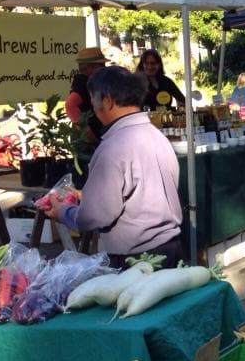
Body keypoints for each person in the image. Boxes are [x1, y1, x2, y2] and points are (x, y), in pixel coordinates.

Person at [46, 65, 184, 267]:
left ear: (108, 101)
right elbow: (143, 193)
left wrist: (64, 212)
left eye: (92, 99)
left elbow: (94, 217)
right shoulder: (156, 135)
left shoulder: (112, 148)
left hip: (138, 259)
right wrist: (92, 196)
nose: (92, 106)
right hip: (170, 247)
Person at [65, 47, 108, 174]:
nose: (103, 67)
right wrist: (86, 131)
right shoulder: (82, 83)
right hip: (87, 140)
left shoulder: (89, 82)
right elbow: (70, 105)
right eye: (100, 65)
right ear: (89, 67)